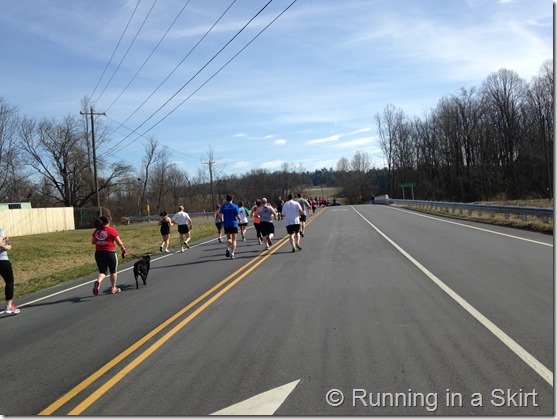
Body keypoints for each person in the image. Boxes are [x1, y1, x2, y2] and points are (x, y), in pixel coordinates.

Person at [91, 216, 126, 295]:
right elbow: (119, 242)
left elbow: (93, 242)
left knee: (102, 272)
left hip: (99, 253)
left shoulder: (96, 231)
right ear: (108, 222)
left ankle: (98, 282)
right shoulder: (112, 230)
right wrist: (123, 248)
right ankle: (113, 288)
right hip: (110, 253)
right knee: (113, 271)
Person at [0, 227, 19, 314]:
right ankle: (9, 306)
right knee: (9, 282)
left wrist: (5, 239)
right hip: (2, 260)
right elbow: (0, 244)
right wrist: (7, 247)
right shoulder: (0, 230)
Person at [219, 194, 241, 259]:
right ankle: (232, 253)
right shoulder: (235, 206)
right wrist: (239, 220)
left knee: (229, 238)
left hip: (226, 224)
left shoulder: (223, 206)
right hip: (233, 224)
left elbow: (220, 215)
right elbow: (238, 216)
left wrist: (222, 221)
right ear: (232, 199)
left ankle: (228, 248)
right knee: (234, 239)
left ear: (226, 199)